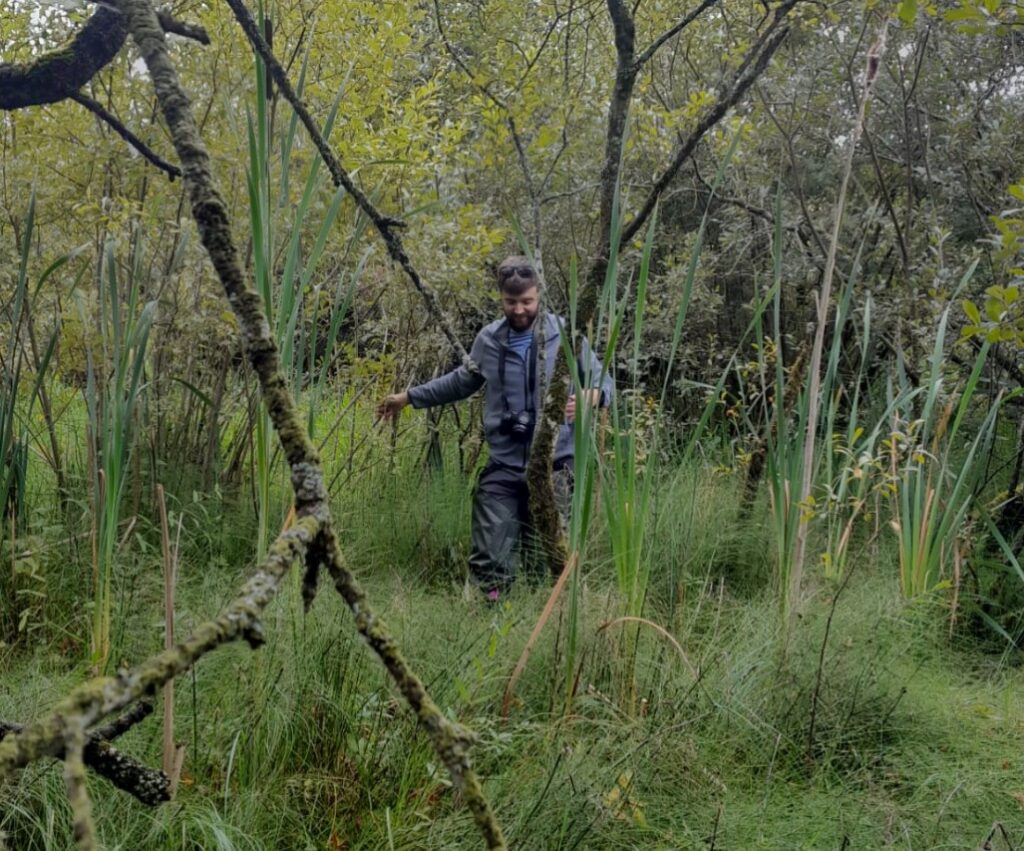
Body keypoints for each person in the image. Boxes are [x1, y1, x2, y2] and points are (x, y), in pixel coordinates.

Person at [377, 255, 614, 599]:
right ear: (501, 298)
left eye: (527, 301)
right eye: (511, 302)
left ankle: (548, 624)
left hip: (556, 466)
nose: (519, 310)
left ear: (539, 296)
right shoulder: (488, 340)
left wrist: (593, 395)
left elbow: (605, 381)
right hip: (504, 465)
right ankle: (492, 615)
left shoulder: (565, 335)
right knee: (490, 555)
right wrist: (409, 397)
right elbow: (461, 382)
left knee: (545, 560)